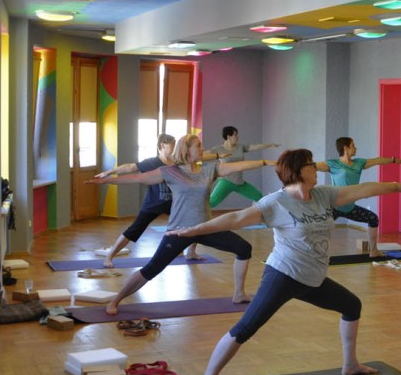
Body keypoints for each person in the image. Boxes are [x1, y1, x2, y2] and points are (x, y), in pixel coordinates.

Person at [167, 148, 401, 375]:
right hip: (283, 275)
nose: (316, 168)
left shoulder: (323, 195)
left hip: (313, 278)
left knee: (352, 305)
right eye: (311, 164)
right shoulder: (275, 202)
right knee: (246, 328)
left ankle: (350, 364)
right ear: (298, 171)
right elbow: (236, 218)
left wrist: (395, 186)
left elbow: (362, 190)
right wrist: (195, 230)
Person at [90, 134, 272, 312]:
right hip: (179, 231)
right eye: (198, 146)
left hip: (205, 227)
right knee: (152, 269)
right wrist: (106, 180)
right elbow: (137, 177)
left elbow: (238, 166)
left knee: (244, 248)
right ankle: (115, 300)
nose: (202, 148)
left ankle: (239, 294)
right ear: (187, 150)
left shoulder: (209, 170)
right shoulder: (170, 171)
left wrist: (264, 162)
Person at [94, 133, 198, 267]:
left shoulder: (177, 161)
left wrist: (218, 155)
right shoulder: (151, 163)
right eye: (172, 144)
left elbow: (199, 157)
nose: (174, 147)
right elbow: (130, 167)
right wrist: (108, 173)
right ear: (162, 146)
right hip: (153, 204)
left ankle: (191, 252)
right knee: (134, 230)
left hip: (174, 204)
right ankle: (109, 256)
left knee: (194, 221)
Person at [315, 137, 401, 259]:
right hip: (334, 207)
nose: (356, 148)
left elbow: (376, 161)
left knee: (373, 218)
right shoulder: (333, 164)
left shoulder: (358, 163)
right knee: (319, 227)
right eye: (353, 145)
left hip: (350, 208)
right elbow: (313, 166)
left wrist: (393, 160)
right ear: (346, 148)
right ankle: (316, 255)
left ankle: (373, 251)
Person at [207, 126, 281, 209]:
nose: (237, 137)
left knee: (259, 197)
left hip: (239, 182)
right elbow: (204, 154)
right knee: (211, 203)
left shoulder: (240, 147)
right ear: (228, 137)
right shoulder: (218, 149)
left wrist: (270, 145)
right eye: (235, 135)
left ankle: (257, 212)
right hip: (226, 181)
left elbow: (255, 146)